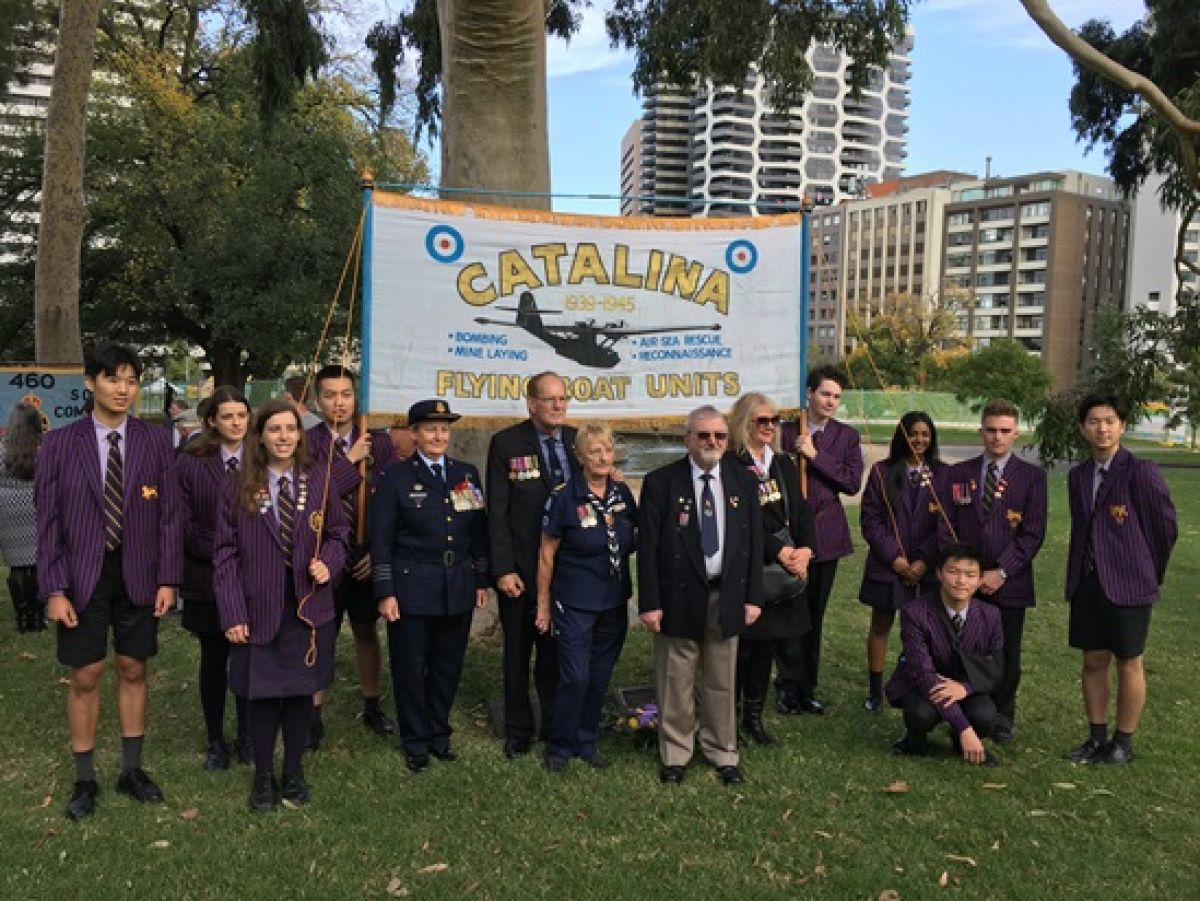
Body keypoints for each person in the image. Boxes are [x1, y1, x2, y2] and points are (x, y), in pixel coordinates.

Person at [35, 343, 182, 821]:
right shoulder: (59, 444)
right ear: (90, 383)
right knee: (86, 674)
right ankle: (85, 777)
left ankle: (132, 770)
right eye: (113, 378)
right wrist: (54, 589)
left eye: (131, 380)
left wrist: (167, 578)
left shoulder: (156, 441)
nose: (123, 389)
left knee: (134, 667)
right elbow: (49, 523)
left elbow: (170, 517)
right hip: (81, 575)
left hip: (138, 572)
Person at [214, 399, 349, 812]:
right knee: (263, 695)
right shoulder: (238, 485)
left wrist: (328, 562)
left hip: (308, 610)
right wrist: (233, 611)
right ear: (260, 436)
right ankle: (261, 778)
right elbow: (225, 554)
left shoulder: (319, 478)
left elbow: (339, 533)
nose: (284, 437)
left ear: (300, 434)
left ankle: (293, 770)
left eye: (291, 429)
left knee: (299, 694)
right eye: (274, 429)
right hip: (259, 610)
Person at [638, 405, 763, 785]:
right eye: (704, 435)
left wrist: (753, 597)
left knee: (722, 679)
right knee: (676, 677)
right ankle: (676, 753)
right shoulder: (661, 482)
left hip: (726, 594)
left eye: (719, 436)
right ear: (687, 439)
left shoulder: (743, 481)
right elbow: (648, 548)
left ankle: (722, 751)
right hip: (678, 595)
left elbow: (754, 544)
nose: (712, 442)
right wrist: (650, 603)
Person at [372, 400, 489, 773]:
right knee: (410, 666)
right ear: (414, 434)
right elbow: (382, 541)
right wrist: (386, 591)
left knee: (447, 665)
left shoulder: (466, 474)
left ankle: (439, 732)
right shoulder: (395, 477)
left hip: (457, 585)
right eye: (429, 429)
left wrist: (481, 578)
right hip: (412, 588)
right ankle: (415, 740)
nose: (438, 435)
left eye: (444, 429)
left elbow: (478, 533)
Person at [1064, 394, 1177, 766]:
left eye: (1110, 421)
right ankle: (1096, 737)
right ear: (1083, 428)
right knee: (1093, 659)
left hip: (1129, 584)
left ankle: (1122, 743)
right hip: (1088, 581)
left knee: (1129, 660)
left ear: (1122, 426)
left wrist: (1146, 573)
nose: (1102, 428)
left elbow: (1164, 531)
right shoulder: (1078, 476)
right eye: (1094, 421)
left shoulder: (1140, 472)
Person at [939, 399, 1046, 744]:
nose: (997, 437)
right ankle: (961, 712)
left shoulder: (1032, 477)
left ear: (1016, 433)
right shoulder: (959, 474)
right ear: (980, 431)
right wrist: (965, 574)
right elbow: (947, 525)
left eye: (1004, 431)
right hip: (963, 584)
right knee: (962, 646)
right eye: (991, 430)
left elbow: (1032, 534)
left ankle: (1002, 717)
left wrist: (1001, 571)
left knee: (1006, 653)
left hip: (1009, 583)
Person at [536, 423, 637, 772]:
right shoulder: (564, 497)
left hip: (613, 601)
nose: (602, 457)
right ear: (579, 456)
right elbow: (547, 553)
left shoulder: (622, 494)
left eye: (607, 450)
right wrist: (543, 604)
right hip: (574, 601)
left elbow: (636, 534)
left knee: (599, 676)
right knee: (574, 677)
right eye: (594, 451)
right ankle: (560, 745)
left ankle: (586, 740)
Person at [305, 364, 397, 748]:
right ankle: (311, 715)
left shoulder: (379, 442)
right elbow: (312, 496)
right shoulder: (306, 442)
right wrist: (349, 462)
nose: (338, 403)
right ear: (317, 399)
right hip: (323, 554)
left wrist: (376, 550)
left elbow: (392, 501)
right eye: (330, 395)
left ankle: (372, 703)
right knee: (320, 633)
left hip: (365, 553)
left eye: (345, 394)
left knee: (365, 629)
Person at [486, 371, 575, 757]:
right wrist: (503, 568)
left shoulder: (576, 441)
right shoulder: (506, 443)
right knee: (518, 653)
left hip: (566, 570)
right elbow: (498, 513)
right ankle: (518, 729)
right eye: (550, 399)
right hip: (521, 569)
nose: (558, 406)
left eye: (563, 399)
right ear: (531, 403)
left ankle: (555, 726)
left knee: (555, 652)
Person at [726, 392, 814, 744]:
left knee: (768, 645)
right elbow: (737, 521)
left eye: (774, 420)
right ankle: (728, 719)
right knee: (744, 647)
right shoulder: (730, 464)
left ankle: (754, 718)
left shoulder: (781, 462)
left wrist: (805, 549)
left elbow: (802, 510)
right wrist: (778, 551)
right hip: (750, 566)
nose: (769, 427)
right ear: (744, 421)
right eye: (762, 420)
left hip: (786, 564)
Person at [776, 365, 863, 715]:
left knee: (813, 614)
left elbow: (851, 481)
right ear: (809, 393)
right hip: (786, 533)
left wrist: (815, 456)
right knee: (786, 611)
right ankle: (785, 685)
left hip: (825, 531)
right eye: (825, 394)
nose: (831, 401)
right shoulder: (783, 432)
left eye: (837, 397)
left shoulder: (846, 437)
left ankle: (806, 687)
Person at [178, 386, 252, 770]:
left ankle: (246, 735)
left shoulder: (263, 458)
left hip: (251, 581)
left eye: (242, 415)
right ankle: (214, 740)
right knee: (214, 657)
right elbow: (182, 521)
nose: (236, 423)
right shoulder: (192, 462)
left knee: (246, 657)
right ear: (212, 421)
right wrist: (224, 553)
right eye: (227, 416)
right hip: (207, 576)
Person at [859, 412, 948, 713]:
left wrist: (923, 561)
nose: (919, 440)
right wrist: (895, 559)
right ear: (902, 436)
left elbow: (946, 525)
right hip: (888, 566)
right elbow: (870, 521)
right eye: (913, 434)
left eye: (925, 434)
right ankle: (874, 691)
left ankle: (920, 684)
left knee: (926, 630)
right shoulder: (882, 472)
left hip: (927, 569)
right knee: (880, 624)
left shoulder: (944, 475)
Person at [886, 544, 1003, 766]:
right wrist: (965, 728)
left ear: (979, 580)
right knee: (920, 714)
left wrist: (965, 688)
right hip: (922, 686)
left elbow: (995, 669)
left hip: (964, 686)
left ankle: (960, 744)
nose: (961, 581)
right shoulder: (914, 612)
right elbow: (922, 672)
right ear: (939, 573)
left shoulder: (992, 615)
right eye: (953, 572)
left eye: (970, 575)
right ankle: (914, 741)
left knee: (986, 716)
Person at [0, 402, 46, 632]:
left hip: (7, 509)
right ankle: (38, 617)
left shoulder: (2, 449)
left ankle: (22, 617)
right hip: (37, 505)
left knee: (16, 566)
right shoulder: (45, 449)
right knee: (38, 565)